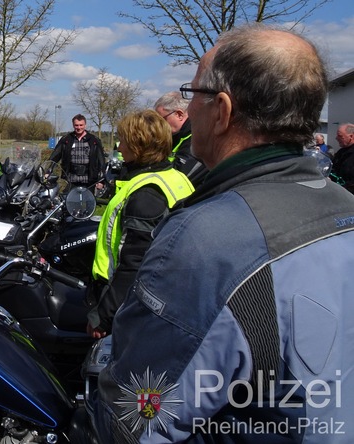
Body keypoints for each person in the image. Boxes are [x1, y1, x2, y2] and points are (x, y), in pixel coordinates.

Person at [92, 24, 354, 443]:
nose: (188, 108)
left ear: (223, 111)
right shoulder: (346, 206)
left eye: (194, 93)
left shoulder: (204, 241)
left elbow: (137, 416)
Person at [86, 110, 194, 339]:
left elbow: (135, 264)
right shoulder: (173, 176)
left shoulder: (147, 193)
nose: (118, 146)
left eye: (123, 140)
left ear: (138, 146)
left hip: (128, 305)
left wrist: (103, 316)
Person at [154, 91, 208, 186]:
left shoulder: (196, 136)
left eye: (162, 120)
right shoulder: (177, 135)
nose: (159, 125)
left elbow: (181, 175)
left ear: (179, 114)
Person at [49, 114, 105, 189]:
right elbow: (55, 157)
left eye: (81, 125)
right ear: (73, 125)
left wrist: (101, 180)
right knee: (69, 200)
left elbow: (101, 161)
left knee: (87, 201)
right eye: (76, 125)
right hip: (71, 179)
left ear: (85, 125)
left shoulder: (94, 140)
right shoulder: (66, 139)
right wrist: (48, 171)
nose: (79, 127)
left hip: (89, 180)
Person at [331, 123, 354, 192]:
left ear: (351, 136)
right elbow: (333, 169)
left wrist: (342, 189)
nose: (336, 138)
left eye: (340, 136)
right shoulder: (340, 152)